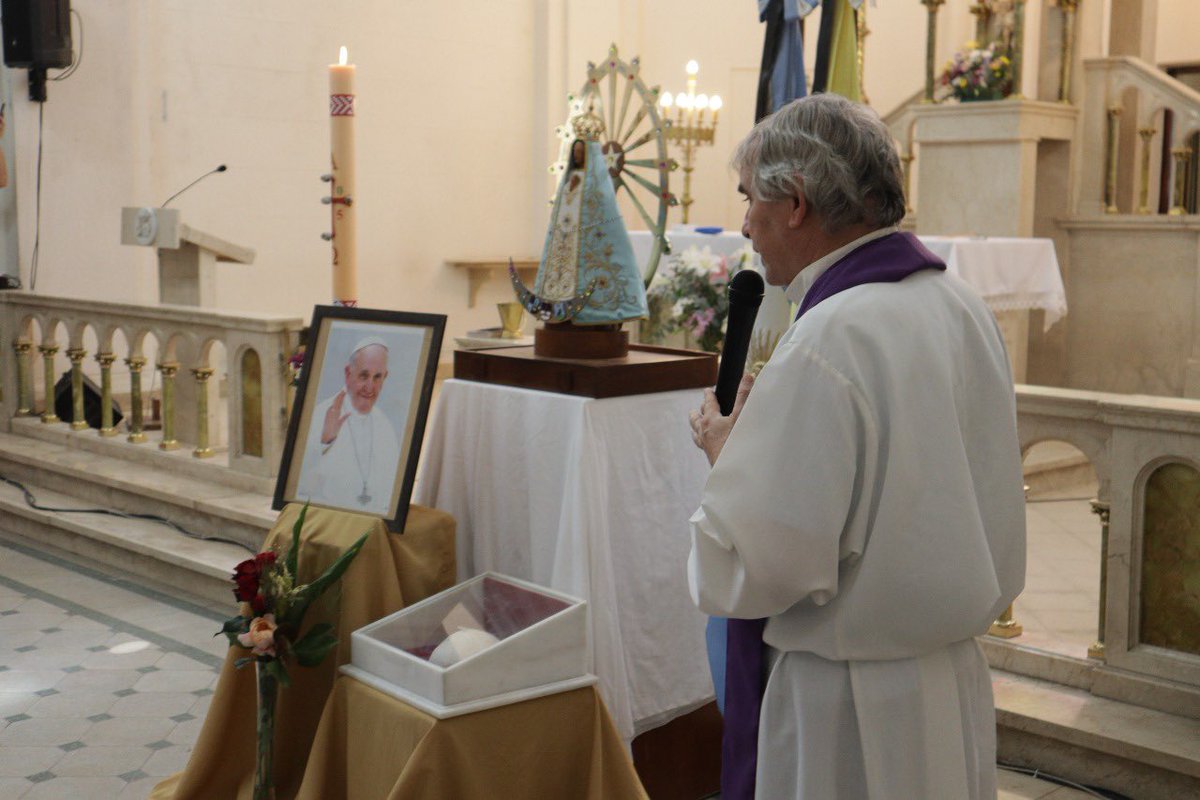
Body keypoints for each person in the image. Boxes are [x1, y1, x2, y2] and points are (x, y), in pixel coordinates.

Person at [686, 93, 1026, 799]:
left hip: (843, 706)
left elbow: (765, 566)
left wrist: (728, 460)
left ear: (796, 203)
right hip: (946, 681)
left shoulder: (829, 336)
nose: (745, 224)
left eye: (750, 198)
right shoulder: (961, 305)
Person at [297, 337, 401, 516]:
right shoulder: (321, 415)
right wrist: (325, 441)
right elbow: (299, 480)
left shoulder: (385, 426)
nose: (370, 387)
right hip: (328, 516)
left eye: (377, 377)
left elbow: (392, 487)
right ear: (348, 373)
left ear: (385, 377)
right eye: (363, 376)